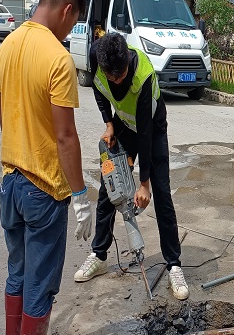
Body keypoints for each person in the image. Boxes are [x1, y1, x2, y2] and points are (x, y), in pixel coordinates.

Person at [0, 0, 93, 335]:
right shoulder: (56, 59)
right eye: (74, 22)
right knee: (40, 282)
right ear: (67, 10)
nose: (71, 29)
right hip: (42, 190)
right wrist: (80, 196)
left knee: (16, 273)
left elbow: (4, 119)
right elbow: (66, 137)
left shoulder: (7, 46)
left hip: (9, 183)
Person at [74, 32, 189, 300]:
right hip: (123, 125)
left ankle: (174, 265)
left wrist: (144, 183)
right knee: (109, 188)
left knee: (161, 194)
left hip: (152, 128)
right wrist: (109, 123)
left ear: (127, 61)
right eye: (113, 76)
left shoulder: (143, 76)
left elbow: (146, 134)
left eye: (121, 75)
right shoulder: (96, 57)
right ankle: (99, 255)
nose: (117, 80)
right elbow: (99, 89)